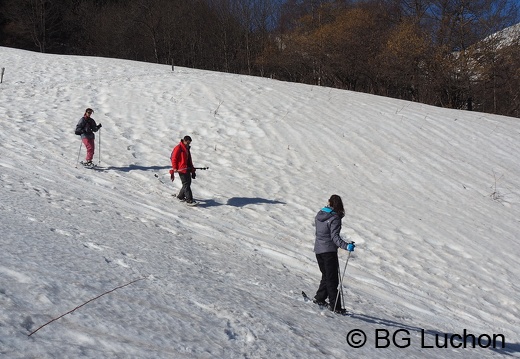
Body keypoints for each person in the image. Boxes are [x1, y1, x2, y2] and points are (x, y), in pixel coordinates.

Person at [313, 194, 353, 314]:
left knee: (326, 276)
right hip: (329, 251)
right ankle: (335, 306)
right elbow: (334, 237)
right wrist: (347, 246)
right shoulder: (335, 218)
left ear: (329, 202)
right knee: (332, 280)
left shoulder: (319, 215)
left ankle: (320, 298)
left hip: (318, 250)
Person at [170, 135, 197, 205]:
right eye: (187, 143)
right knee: (186, 184)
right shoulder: (178, 148)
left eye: (189, 143)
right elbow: (174, 158)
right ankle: (189, 200)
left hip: (187, 168)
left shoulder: (186, 148)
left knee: (188, 183)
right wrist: (175, 167)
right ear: (184, 141)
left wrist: (192, 169)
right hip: (181, 169)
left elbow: (189, 160)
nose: (188, 144)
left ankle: (181, 196)